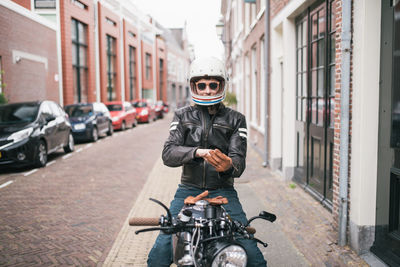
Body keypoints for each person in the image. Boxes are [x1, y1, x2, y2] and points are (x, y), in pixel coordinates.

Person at [147, 56, 267, 267]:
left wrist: (228, 166)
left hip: (223, 192)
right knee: (158, 256)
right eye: (202, 85)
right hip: (187, 190)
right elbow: (168, 153)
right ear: (194, 86)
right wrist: (197, 152)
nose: (208, 90)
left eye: (213, 84)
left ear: (221, 85)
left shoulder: (236, 119)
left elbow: (239, 163)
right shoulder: (182, 116)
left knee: (253, 257)